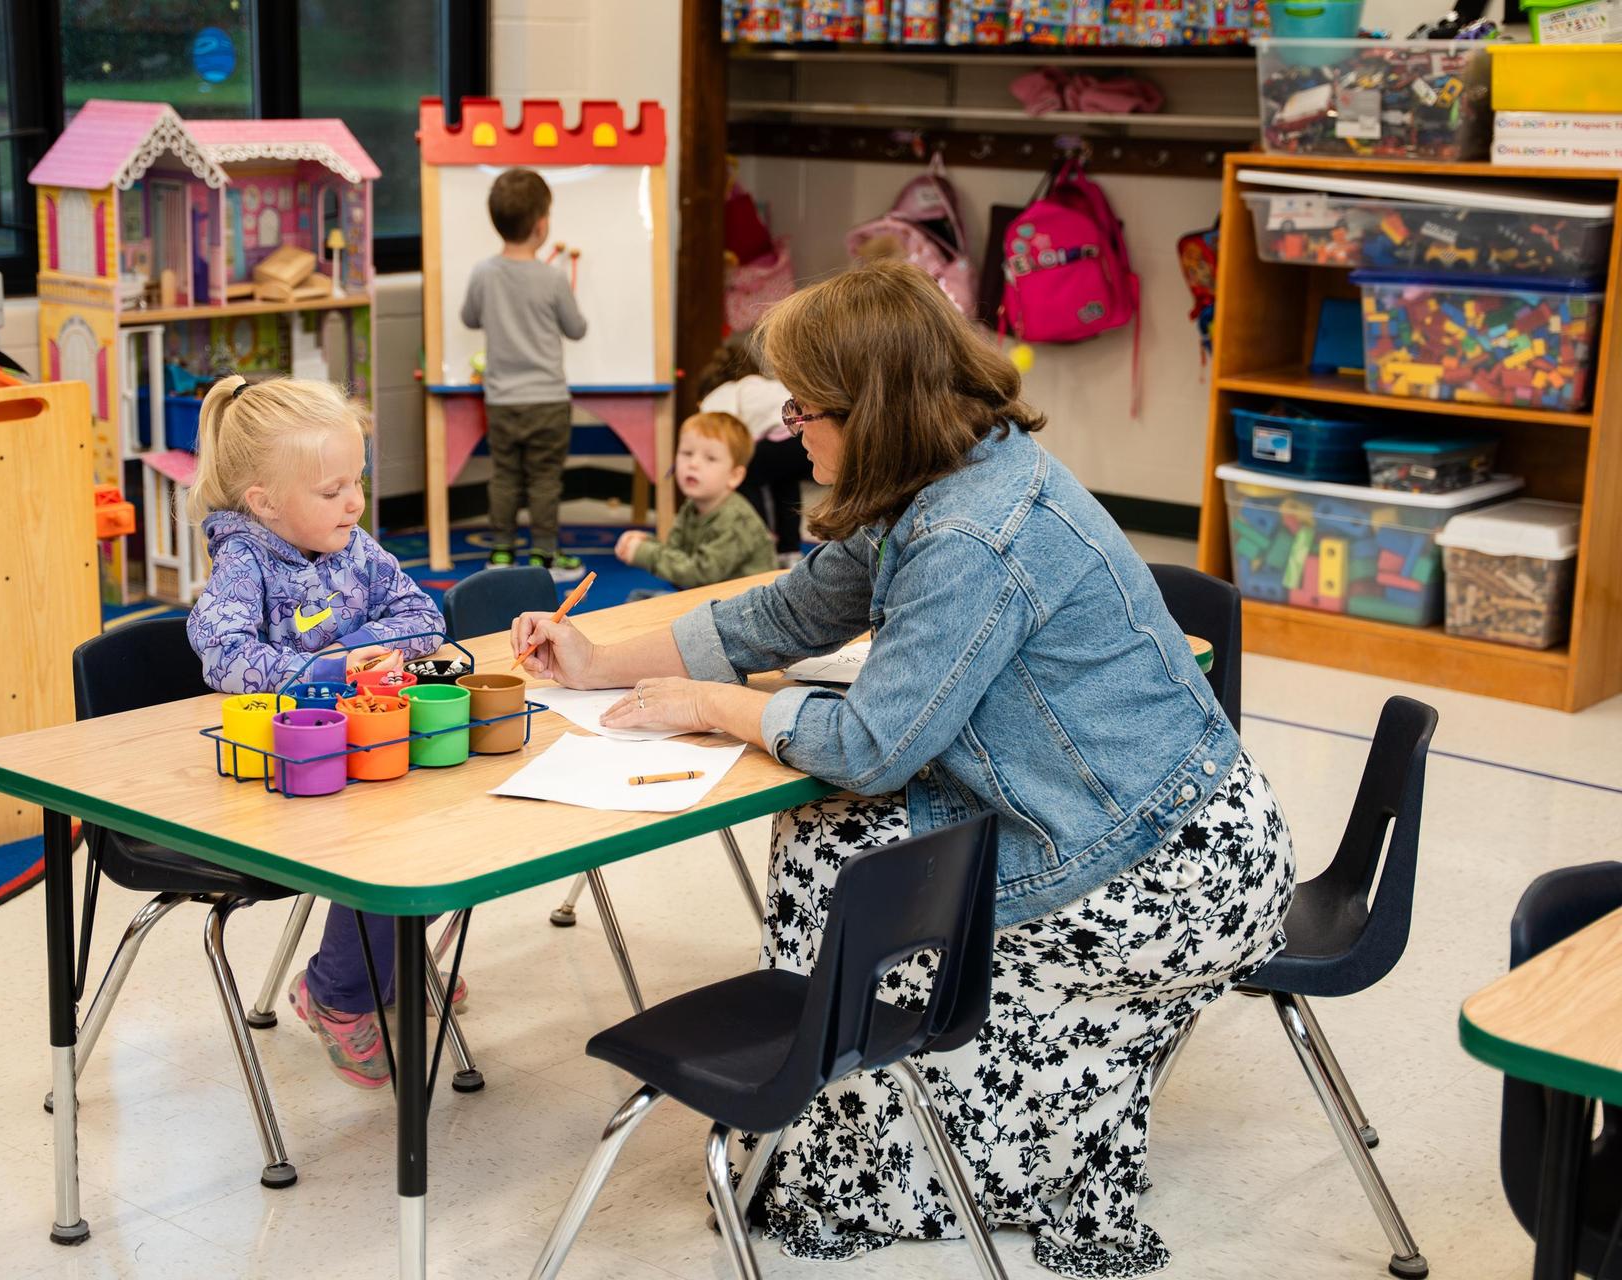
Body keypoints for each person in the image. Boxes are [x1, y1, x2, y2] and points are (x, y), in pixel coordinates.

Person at [510, 259, 1296, 1278]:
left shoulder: (971, 528)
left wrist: (715, 704)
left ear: (872, 410)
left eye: (805, 409)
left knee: (844, 854)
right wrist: (606, 660)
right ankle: (842, 1145)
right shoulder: (948, 466)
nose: (792, 429)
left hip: (1169, 871)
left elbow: (877, 746)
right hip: (1130, 827)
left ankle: (851, 1168)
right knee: (834, 840)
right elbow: (795, 609)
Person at [186, 375, 456, 1090]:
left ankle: (388, 966)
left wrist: (365, 644)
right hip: (286, 772)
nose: (356, 504)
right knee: (377, 847)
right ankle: (337, 995)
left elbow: (425, 619)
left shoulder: (355, 547)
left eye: (357, 482)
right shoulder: (243, 563)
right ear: (265, 503)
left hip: (363, 748)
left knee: (448, 820)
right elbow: (224, 656)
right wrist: (330, 668)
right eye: (332, 490)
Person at [461, 167, 589, 582]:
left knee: (505, 474)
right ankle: (545, 556)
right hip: (548, 400)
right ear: (541, 225)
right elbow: (577, 328)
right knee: (545, 478)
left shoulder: (483, 272)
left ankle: (500, 552)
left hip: (502, 400)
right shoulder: (552, 277)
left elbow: (469, 317)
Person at [614, 410, 776, 593]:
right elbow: (677, 553)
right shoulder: (692, 506)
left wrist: (646, 553)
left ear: (734, 476)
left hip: (745, 609)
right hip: (710, 600)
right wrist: (647, 543)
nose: (693, 464)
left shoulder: (735, 519)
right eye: (687, 453)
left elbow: (701, 575)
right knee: (639, 600)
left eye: (710, 458)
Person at [695, 336, 809, 566]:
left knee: (743, 476)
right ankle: (789, 550)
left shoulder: (723, 392)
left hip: (777, 441)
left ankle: (762, 541)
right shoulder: (760, 383)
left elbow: (719, 431)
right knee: (785, 483)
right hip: (802, 439)